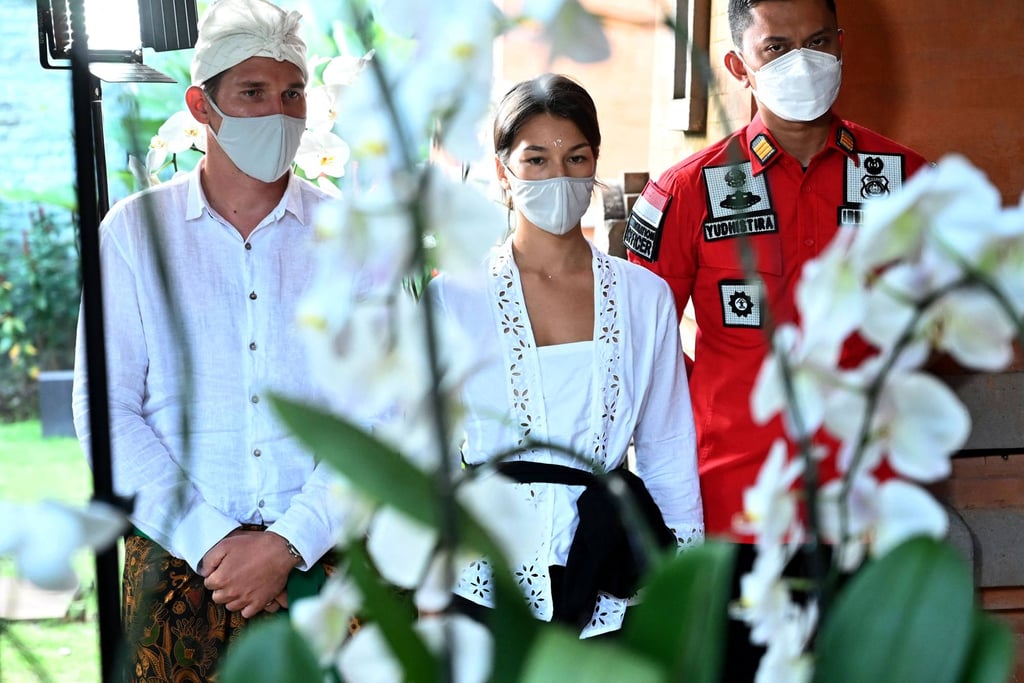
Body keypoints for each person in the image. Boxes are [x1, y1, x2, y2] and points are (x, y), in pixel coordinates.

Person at [623, 0, 928, 677]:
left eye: (819, 42)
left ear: (842, 46)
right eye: (778, 47)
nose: (804, 62)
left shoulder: (907, 181)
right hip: (736, 507)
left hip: (870, 504)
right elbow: (637, 343)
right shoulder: (686, 193)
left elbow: (938, 322)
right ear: (738, 64)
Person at [71, 1, 343, 679]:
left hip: (324, 566)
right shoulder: (135, 235)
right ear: (201, 104)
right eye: (252, 93)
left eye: (292, 93)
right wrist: (211, 538)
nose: (278, 112)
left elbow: (383, 412)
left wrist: (289, 542)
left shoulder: (351, 238)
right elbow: (105, 410)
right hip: (177, 567)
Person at [428, 73, 704, 639]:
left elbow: (666, 446)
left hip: (612, 567)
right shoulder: (454, 298)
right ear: (504, 173)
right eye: (536, 159)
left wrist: (683, 583)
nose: (559, 175)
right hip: (484, 572)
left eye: (575, 157)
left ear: (595, 164)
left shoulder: (644, 296)